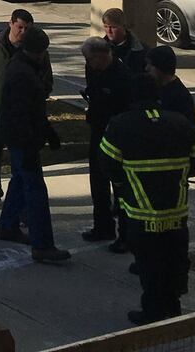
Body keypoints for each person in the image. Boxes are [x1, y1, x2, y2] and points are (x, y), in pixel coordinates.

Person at [101, 78, 195, 324]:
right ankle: (173, 305)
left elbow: (107, 164)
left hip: (141, 213)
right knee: (175, 258)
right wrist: (182, 175)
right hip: (176, 211)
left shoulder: (121, 125)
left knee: (149, 264)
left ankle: (152, 311)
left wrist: (124, 183)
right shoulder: (179, 122)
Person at [0, 26, 70, 264]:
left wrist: (48, 132)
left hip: (21, 138)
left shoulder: (23, 67)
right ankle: (42, 245)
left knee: (19, 181)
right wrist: (31, 142)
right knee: (36, 191)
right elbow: (21, 114)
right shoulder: (22, 74)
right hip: (23, 140)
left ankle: (8, 225)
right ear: (36, 52)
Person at [0, 8, 39, 208]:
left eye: (27, 28)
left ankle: (19, 198)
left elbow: (44, 77)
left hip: (19, 112)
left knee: (18, 157)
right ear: (10, 24)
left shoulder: (33, 50)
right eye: (19, 27)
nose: (22, 32)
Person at [81, 35, 137, 250]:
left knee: (120, 187)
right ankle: (102, 226)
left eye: (90, 60)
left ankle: (125, 236)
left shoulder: (122, 77)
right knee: (98, 182)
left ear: (102, 56)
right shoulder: (93, 68)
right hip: (98, 132)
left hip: (117, 137)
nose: (88, 65)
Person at [146, 45, 194, 124]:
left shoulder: (180, 97)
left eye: (151, 65)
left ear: (161, 67)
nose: (147, 68)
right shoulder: (155, 87)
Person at [101, 7, 148, 76]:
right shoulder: (99, 49)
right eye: (106, 27)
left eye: (113, 27)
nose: (109, 31)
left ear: (123, 26)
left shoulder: (142, 50)